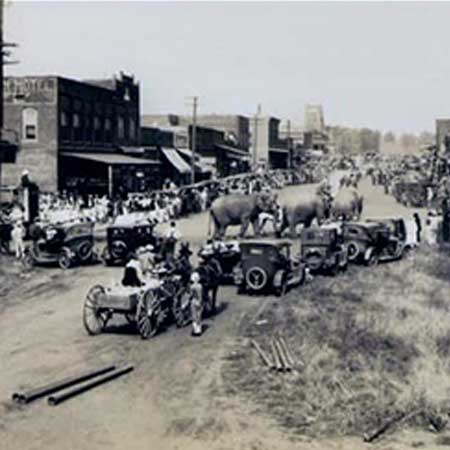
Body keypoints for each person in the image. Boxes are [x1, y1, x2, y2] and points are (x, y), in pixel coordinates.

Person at [189, 271, 203, 337]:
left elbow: (191, 295)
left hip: (194, 301)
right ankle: (199, 330)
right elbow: (200, 295)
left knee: (194, 316)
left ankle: (195, 331)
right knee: (199, 315)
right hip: (199, 301)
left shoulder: (192, 287)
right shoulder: (200, 286)